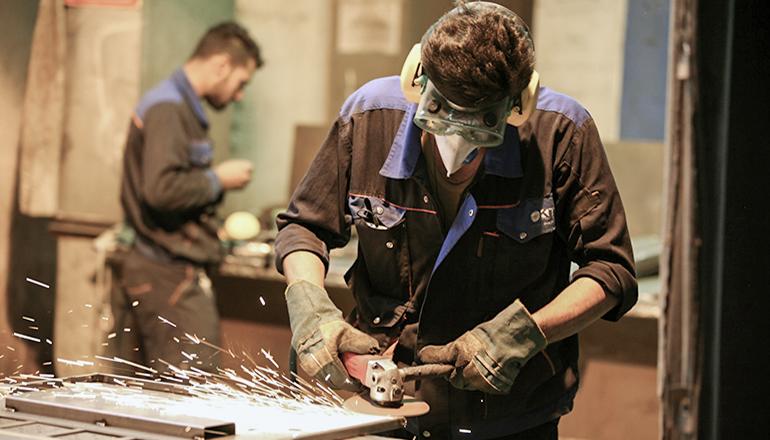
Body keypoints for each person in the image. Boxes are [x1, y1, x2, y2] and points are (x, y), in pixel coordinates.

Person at [275, 1, 637, 439]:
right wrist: (310, 305)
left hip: (508, 417)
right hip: (384, 406)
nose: (455, 145)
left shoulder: (560, 134)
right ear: (416, 80)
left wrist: (525, 333)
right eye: (442, 113)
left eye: (480, 126)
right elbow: (305, 227)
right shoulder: (369, 119)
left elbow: (611, 270)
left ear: (518, 105)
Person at [118, 21, 263, 372]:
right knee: (190, 396)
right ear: (221, 66)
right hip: (167, 273)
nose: (239, 94)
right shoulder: (168, 108)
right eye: (241, 83)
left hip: (166, 271)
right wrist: (218, 179)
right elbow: (160, 190)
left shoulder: (177, 104)